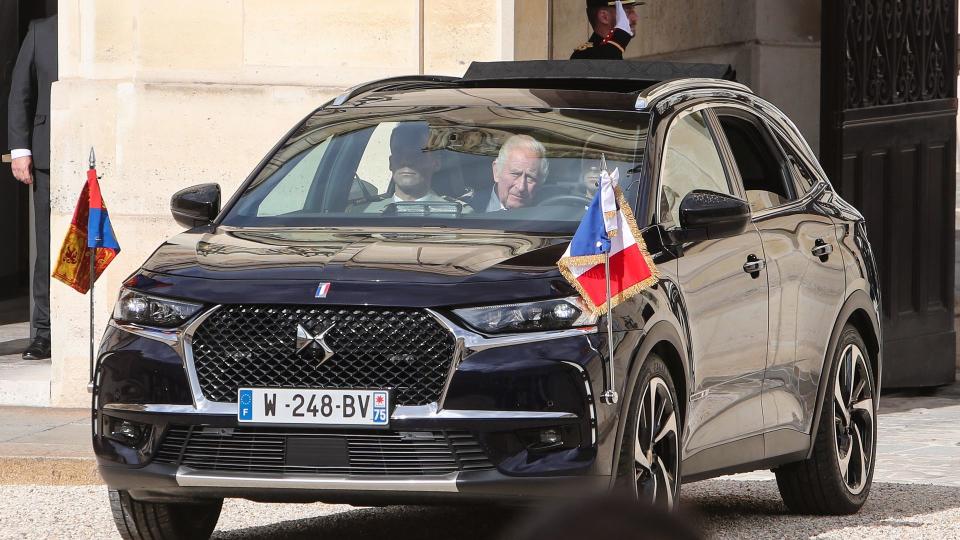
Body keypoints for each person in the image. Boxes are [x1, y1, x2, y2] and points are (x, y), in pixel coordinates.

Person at [7, 15, 58, 360]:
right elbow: (20, 93)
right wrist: (20, 150)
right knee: (47, 248)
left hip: (99, 157)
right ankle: (44, 333)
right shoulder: (40, 31)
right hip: (46, 157)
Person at [349, 122, 469, 213]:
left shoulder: (458, 214)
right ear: (391, 163)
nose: (406, 161)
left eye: (417, 154)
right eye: (399, 153)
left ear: (436, 163)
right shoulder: (363, 213)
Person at [469, 134, 548, 212]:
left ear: (540, 183)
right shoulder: (467, 211)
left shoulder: (548, 216)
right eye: (515, 174)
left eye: (530, 177)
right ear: (496, 171)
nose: (521, 187)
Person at [570, 0, 641, 60]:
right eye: (627, 11)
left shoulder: (615, 50)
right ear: (604, 17)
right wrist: (620, 37)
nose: (635, 18)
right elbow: (605, 67)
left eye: (633, 10)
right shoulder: (583, 56)